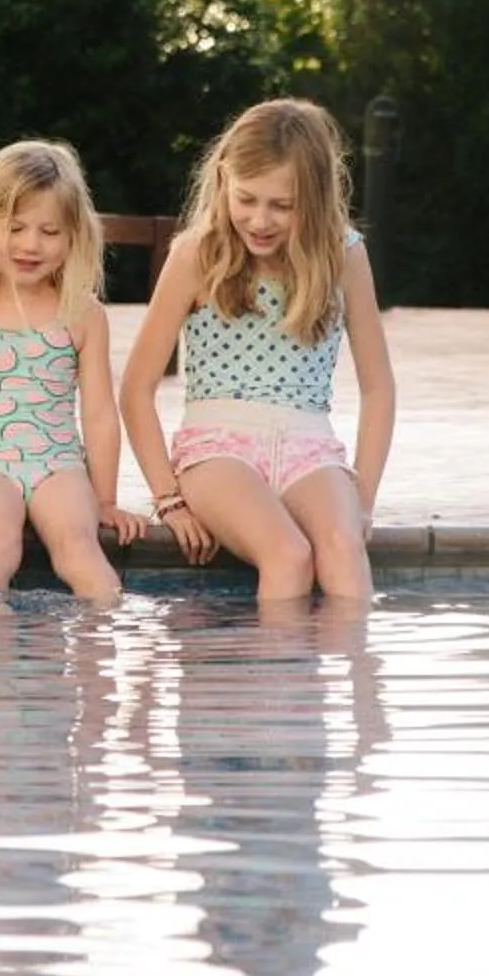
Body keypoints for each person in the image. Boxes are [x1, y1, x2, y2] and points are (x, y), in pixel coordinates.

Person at [121, 98, 396, 603]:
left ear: (313, 200)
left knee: (342, 547)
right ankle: (267, 679)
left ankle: (360, 681)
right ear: (223, 179)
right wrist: (169, 499)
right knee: (289, 555)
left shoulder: (344, 254)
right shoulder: (196, 254)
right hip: (217, 449)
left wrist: (364, 501)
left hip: (309, 447)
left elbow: (378, 388)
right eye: (246, 199)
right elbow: (136, 390)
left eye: (282, 206)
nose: (260, 220)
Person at [0, 140, 145, 601]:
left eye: (49, 231)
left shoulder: (82, 314)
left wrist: (106, 500)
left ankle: (99, 655)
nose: (30, 245)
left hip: (58, 466)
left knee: (79, 546)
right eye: (14, 227)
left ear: (75, 235)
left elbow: (98, 413)